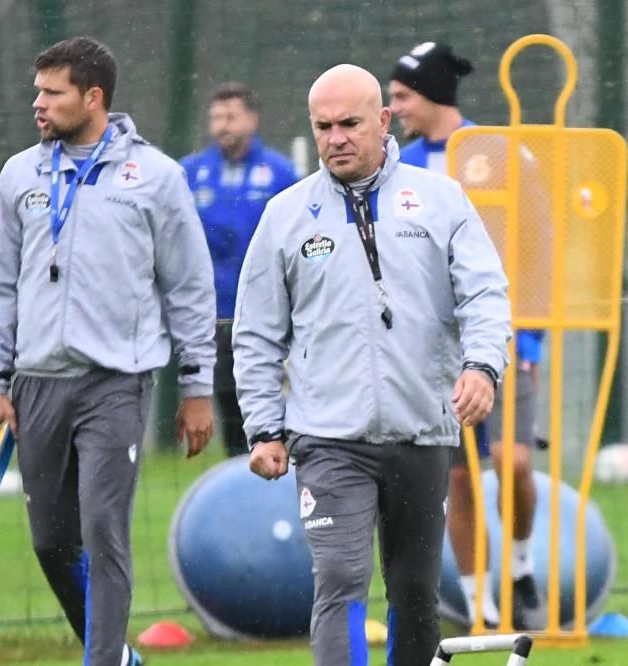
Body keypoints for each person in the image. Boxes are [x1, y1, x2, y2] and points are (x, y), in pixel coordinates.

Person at [233, 64, 512, 666]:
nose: (336, 138)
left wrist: (482, 367)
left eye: (350, 124)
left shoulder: (440, 200)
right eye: (323, 126)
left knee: (415, 593)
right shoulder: (285, 216)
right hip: (329, 437)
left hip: (422, 430)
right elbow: (256, 332)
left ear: (383, 121)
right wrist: (263, 426)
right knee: (339, 579)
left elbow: (486, 294)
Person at [0, 37, 216, 666]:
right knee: (51, 543)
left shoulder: (157, 177)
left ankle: (104, 661)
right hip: (34, 383)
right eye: (38, 91)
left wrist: (195, 386)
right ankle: (121, 656)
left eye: (52, 93)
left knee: (103, 530)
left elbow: (189, 286)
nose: (39, 103)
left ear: (93, 97)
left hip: (118, 381)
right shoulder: (18, 174)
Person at [389, 41, 548, 630]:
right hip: (436, 357)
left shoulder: (500, 154)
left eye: (403, 96)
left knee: (513, 462)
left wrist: (528, 344)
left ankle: (522, 567)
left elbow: (536, 247)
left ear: (433, 95)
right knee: (456, 477)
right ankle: (482, 606)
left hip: (503, 340)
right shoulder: (400, 167)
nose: (395, 107)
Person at [180, 82, 297, 457]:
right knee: (231, 413)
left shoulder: (281, 174)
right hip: (215, 319)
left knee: (273, 408)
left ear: (252, 118)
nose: (222, 126)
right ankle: (238, 487)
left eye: (230, 116)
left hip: (269, 316)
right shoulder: (191, 173)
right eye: (215, 117)